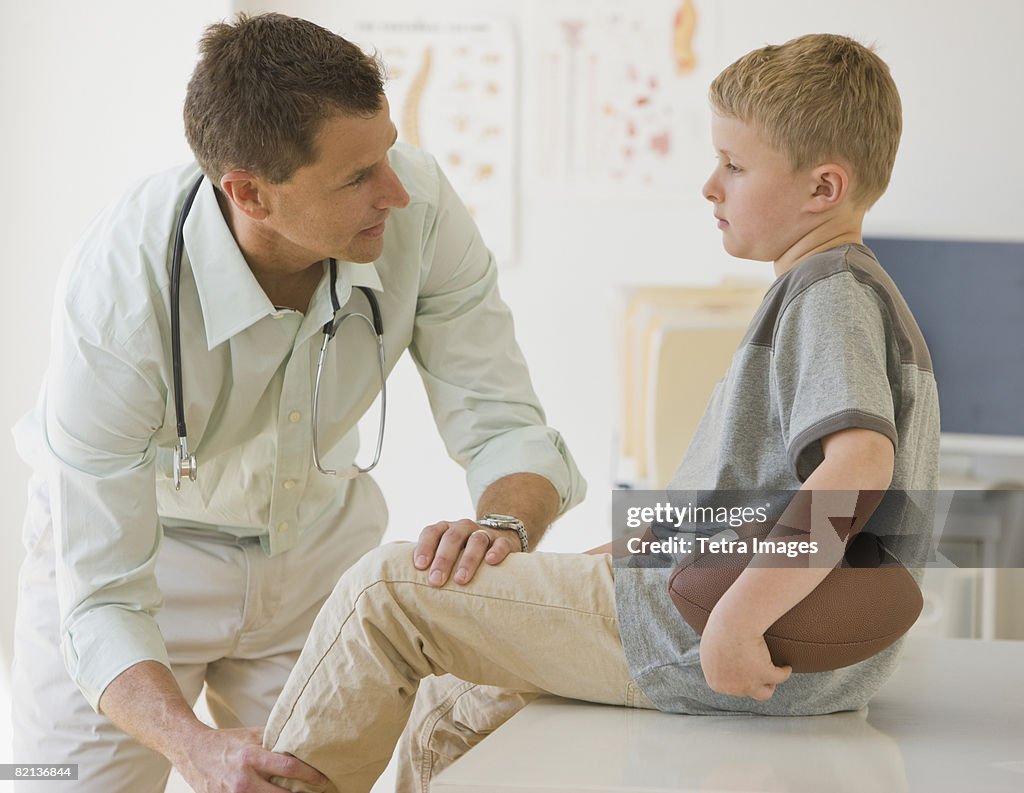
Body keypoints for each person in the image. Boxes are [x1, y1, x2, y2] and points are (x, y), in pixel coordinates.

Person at [260, 33, 940, 793]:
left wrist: (740, 619)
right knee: (459, 701)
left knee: (384, 593)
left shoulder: (830, 294)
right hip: (712, 619)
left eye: (735, 166)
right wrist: (600, 558)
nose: (709, 186)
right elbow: (745, 505)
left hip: (701, 631)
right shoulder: (839, 292)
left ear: (823, 188)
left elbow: (857, 467)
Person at [10, 13, 585, 793]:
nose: (396, 189)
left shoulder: (420, 209)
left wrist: (505, 524)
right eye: (357, 177)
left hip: (313, 557)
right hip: (141, 560)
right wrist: (193, 744)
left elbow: (506, 425)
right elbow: (103, 593)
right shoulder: (119, 295)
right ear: (251, 193)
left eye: (386, 152)